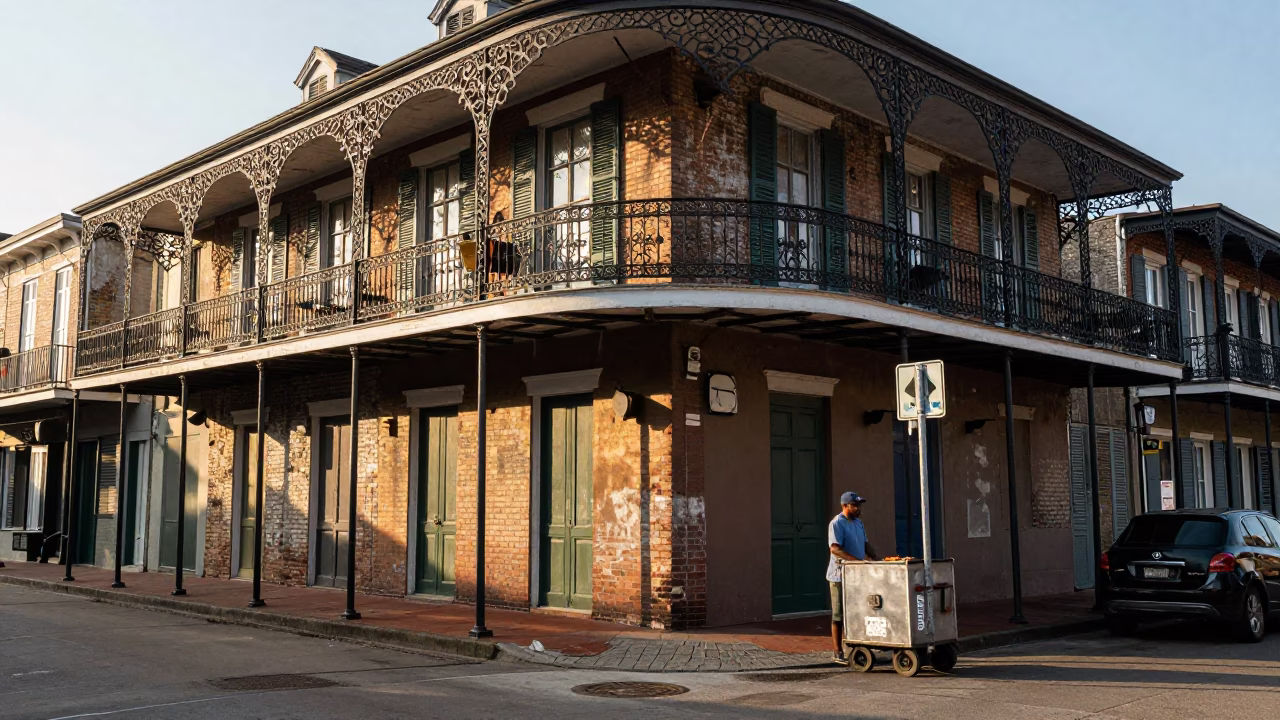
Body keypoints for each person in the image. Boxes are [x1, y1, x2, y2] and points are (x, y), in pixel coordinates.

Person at [828, 491, 877, 665]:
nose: (858, 508)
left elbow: (865, 544)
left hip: (857, 576)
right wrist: (857, 562)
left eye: (859, 505)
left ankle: (856, 648)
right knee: (839, 614)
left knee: (858, 612)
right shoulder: (837, 523)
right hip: (839, 576)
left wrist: (877, 559)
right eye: (855, 505)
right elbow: (835, 549)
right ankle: (837, 651)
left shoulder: (858, 524)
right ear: (845, 506)